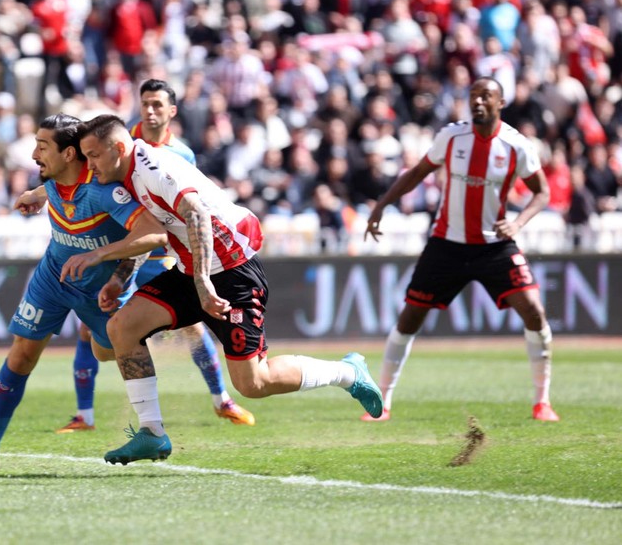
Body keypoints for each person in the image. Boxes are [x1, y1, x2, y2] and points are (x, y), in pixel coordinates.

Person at [68, 115, 383, 465]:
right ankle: (152, 433)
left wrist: (203, 281)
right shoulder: (124, 178)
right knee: (121, 327)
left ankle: (349, 373)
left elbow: (197, 215)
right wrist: (119, 280)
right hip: (193, 271)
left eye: (93, 155)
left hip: (232, 273)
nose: (89, 164)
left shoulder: (152, 167)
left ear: (119, 148)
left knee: (253, 384)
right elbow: (153, 233)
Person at [0, 114, 168, 471]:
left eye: (42, 147)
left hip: (99, 291)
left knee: (108, 352)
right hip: (52, 278)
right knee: (22, 353)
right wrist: (37, 194)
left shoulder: (105, 191)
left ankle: (154, 426)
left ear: (70, 154)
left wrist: (107, 266)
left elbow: (155, 234)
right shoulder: (53, 180)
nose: (33, 155)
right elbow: (54, 187)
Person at [56, 79, 255, 435]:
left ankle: (220, 398)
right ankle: (85, 413)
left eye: (157, 105)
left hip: (164, 256)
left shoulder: (178, 156)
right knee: (95, 328)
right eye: (144, 103)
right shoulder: (114, 147)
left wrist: (199, 272)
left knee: (195, 329)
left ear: (171, 112)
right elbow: (82, 181)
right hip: (127, 249)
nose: (149, 111)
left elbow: (190, 213)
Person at [361, 77, 559, 423]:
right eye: (473, 96)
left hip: (494, 245)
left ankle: (542, 403)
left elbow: (542, 192)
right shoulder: (452, 136)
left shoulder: (516, 146)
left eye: (486, 96)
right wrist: (383, 204)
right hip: (446, 245)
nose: (477, 102)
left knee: (533, 311)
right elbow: (418, 172)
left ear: (501, 103)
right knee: (410, 318)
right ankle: (383, 402)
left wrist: (519, 223)